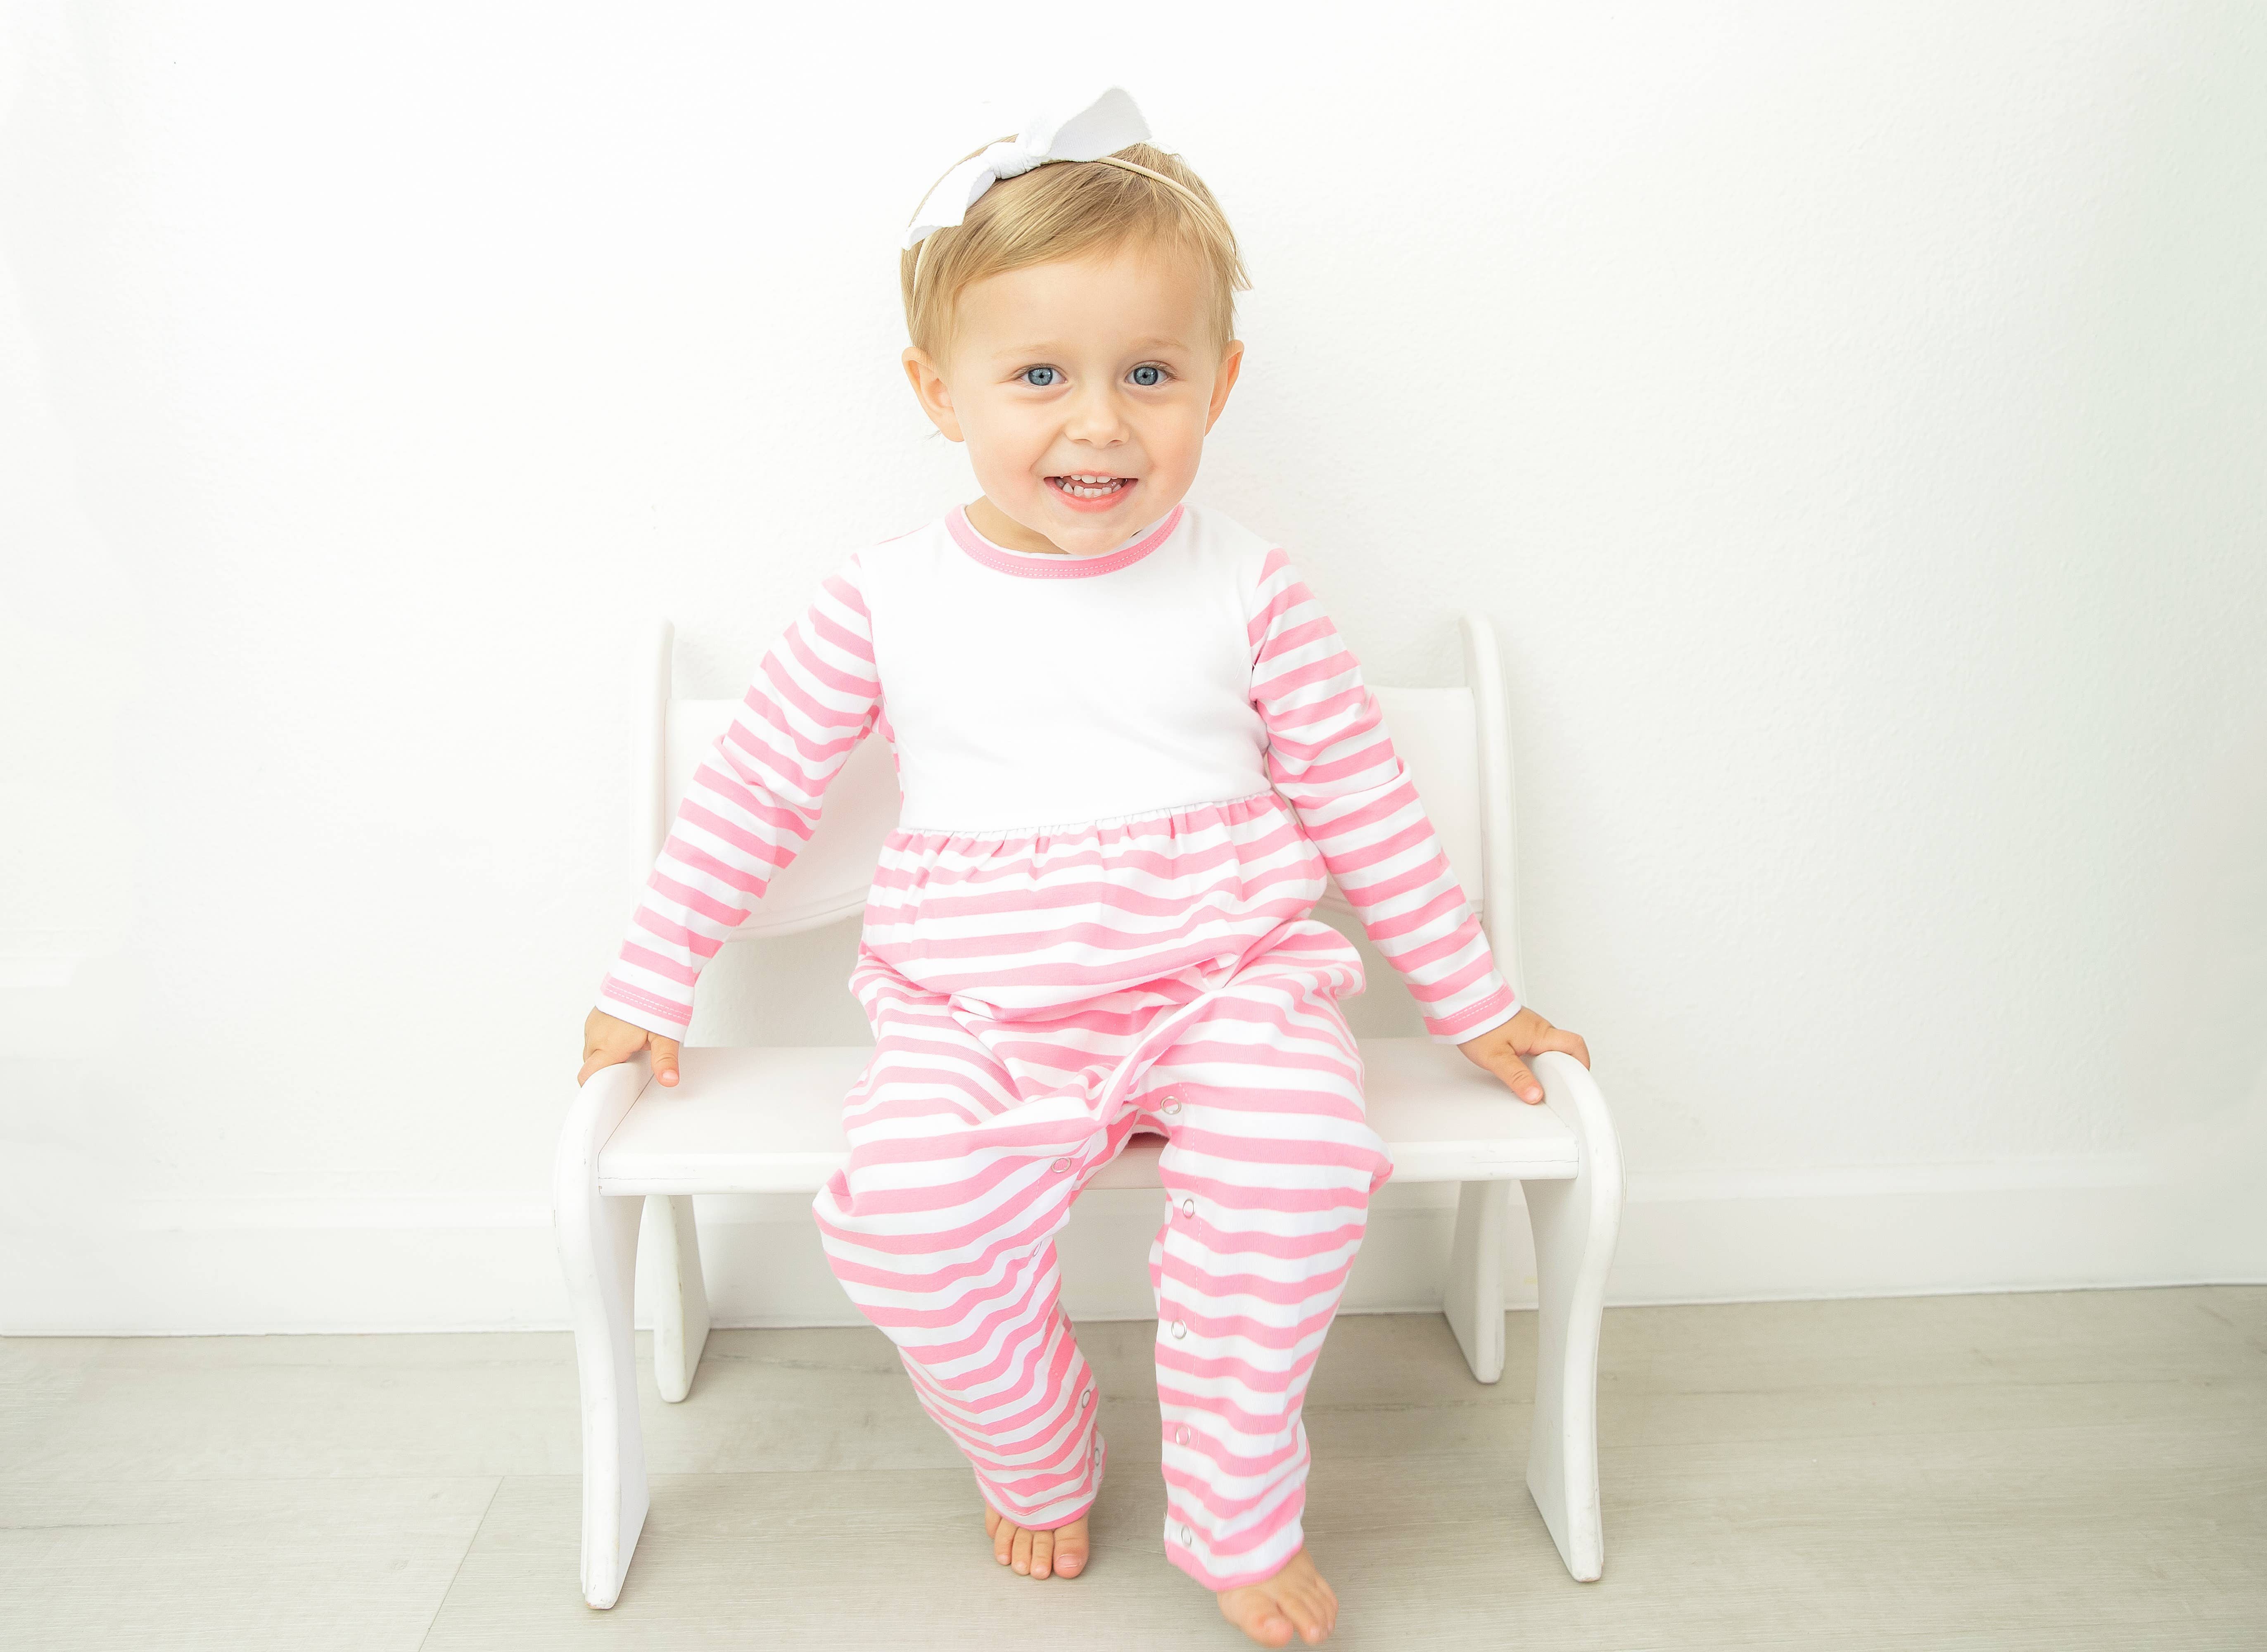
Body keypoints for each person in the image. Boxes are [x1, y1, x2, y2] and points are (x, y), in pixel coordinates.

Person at [577, 87, 1591, 1650]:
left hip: (1228, 984)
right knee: (904, 1220)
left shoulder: (1247, 587)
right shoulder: (884, 600)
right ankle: (1035, 1442)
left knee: (1299, 1168)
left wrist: (1473, 1003)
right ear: (939, 391)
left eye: (1149, 374)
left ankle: (1235, 1502)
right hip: (976, 1007)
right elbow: (754, 791)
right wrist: (652, 978)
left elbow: (1364, 805)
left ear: (1219, 384)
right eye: (1039, 375)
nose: (1099, 422)